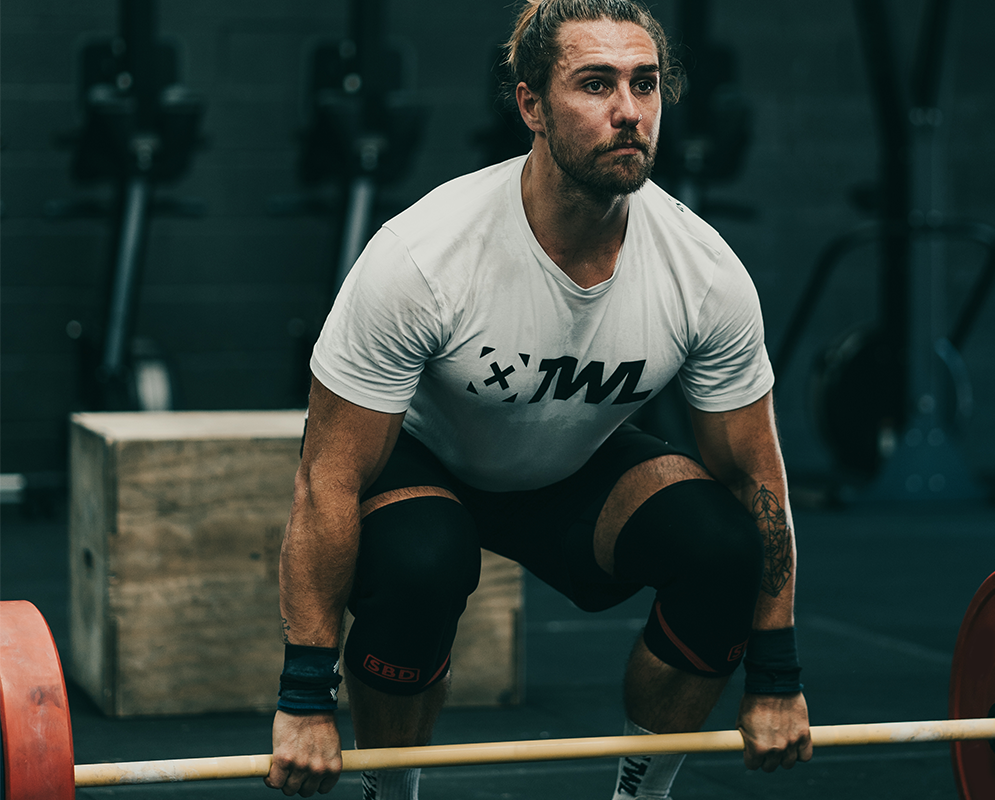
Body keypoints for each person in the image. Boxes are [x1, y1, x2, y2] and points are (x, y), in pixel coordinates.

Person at [265, 1, 811, 797]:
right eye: (595, 85)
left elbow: (758, 482)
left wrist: (776, 676)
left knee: (723, 547)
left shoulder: (705, 272)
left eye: (645, 84)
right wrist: (304, 699)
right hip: (427, 462)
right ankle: (394, 792)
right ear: (531, 105)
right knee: (423, 564)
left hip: (570, 468)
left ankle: (642, 793)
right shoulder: (424, 257)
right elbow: (328, 481)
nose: (628, 111)